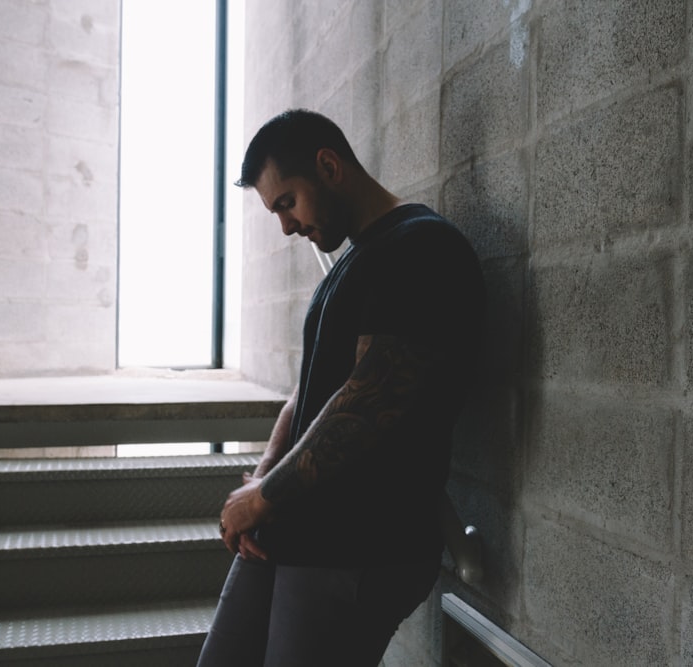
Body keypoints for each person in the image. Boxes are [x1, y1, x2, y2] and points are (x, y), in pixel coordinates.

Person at [196, 109, 485, 667]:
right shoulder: (351, 265)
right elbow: (309, 394)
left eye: (287, 203)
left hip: (359, 544)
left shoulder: (422, 248)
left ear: (329, 166)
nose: (284, 226)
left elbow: (368, 402)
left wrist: (262, 496)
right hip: (297, 526)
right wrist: (263, 479)